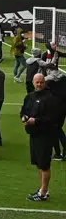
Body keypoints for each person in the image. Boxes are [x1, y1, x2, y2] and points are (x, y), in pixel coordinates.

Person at [22, 72, 63, 201]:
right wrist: (24, 118)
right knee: (38, 164)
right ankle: (43, 189)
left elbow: (53, 118)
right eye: (37, 82)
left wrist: (36, 121)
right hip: (33, 134)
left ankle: (43, 193)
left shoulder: (50, 98)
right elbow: (24, 111)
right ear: (33, 83)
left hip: (45, 135)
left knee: (44, 165)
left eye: (41, 82)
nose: (39, 84)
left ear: (44, 83)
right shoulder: (29, 97)